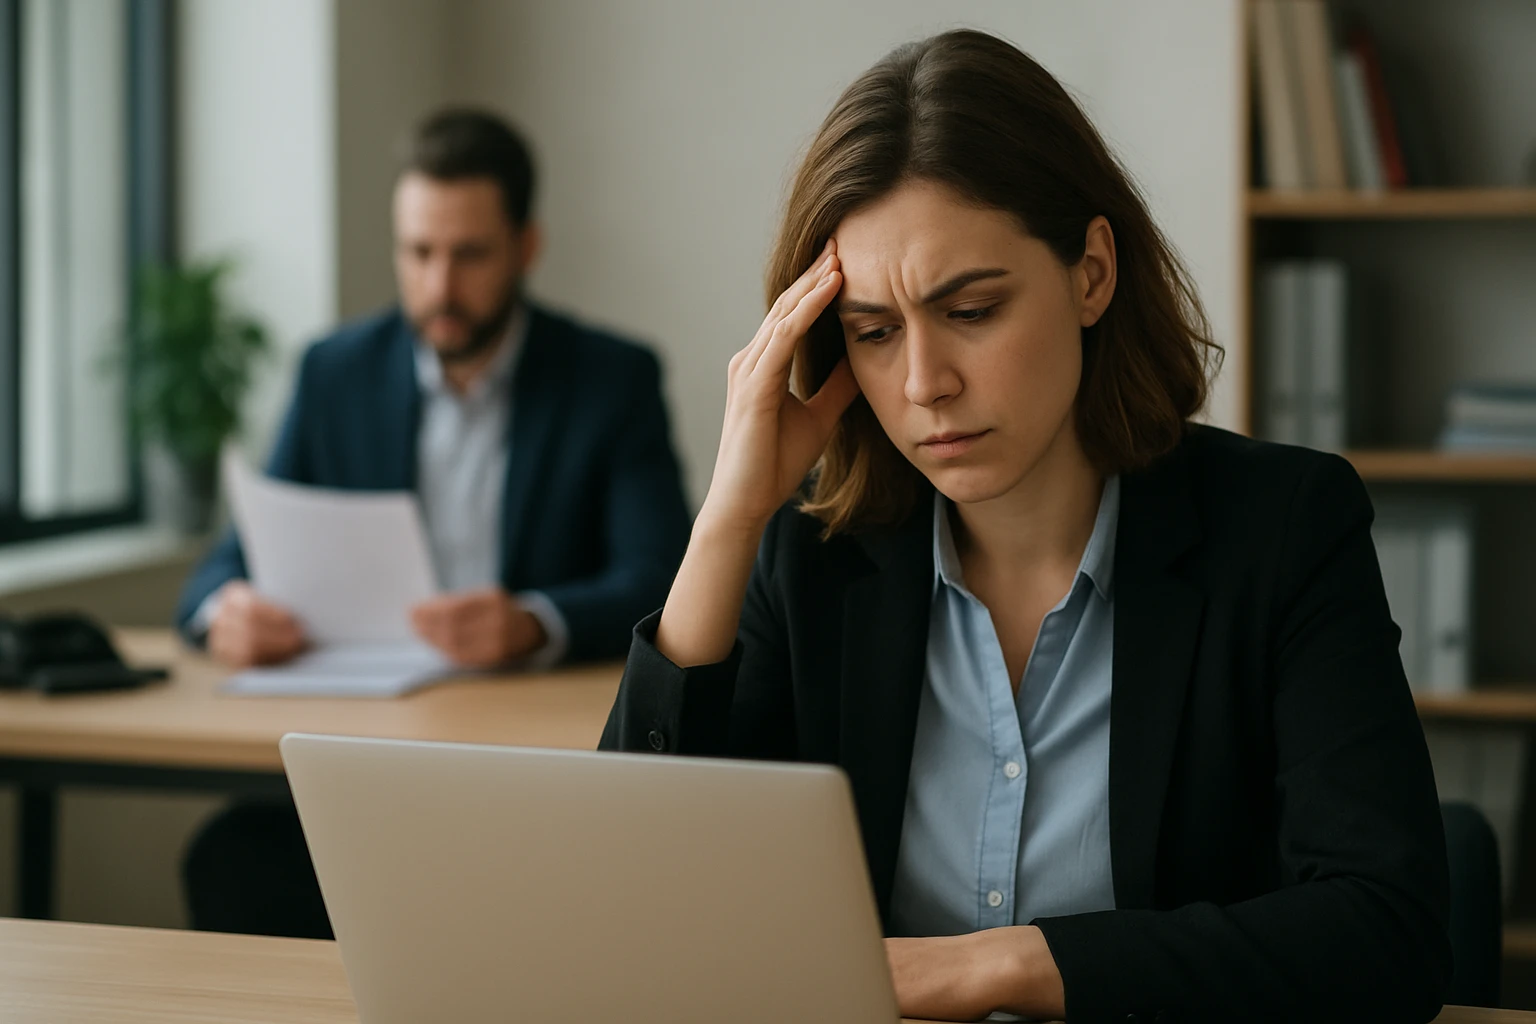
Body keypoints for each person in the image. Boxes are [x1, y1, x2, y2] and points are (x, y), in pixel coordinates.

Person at [601, 30, 1450, 1024]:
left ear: (1092, 272)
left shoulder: (1284, 529)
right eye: (873, 332)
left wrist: (1001, 967)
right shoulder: (812, 558)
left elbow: (1387, 933)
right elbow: (633, 909)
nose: (924, 384)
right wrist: (730, 517)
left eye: (970, 309)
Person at [179, 108, 691, 938]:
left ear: (526, 247)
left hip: (536, 768)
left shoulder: (611, 379)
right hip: (363, 751)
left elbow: (663, 573)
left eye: (469, 254)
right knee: (233, 861)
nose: (439, 287)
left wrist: (532, 623)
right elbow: (225, 563)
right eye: (418, 253)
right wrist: (224, 610)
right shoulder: (335, 373)